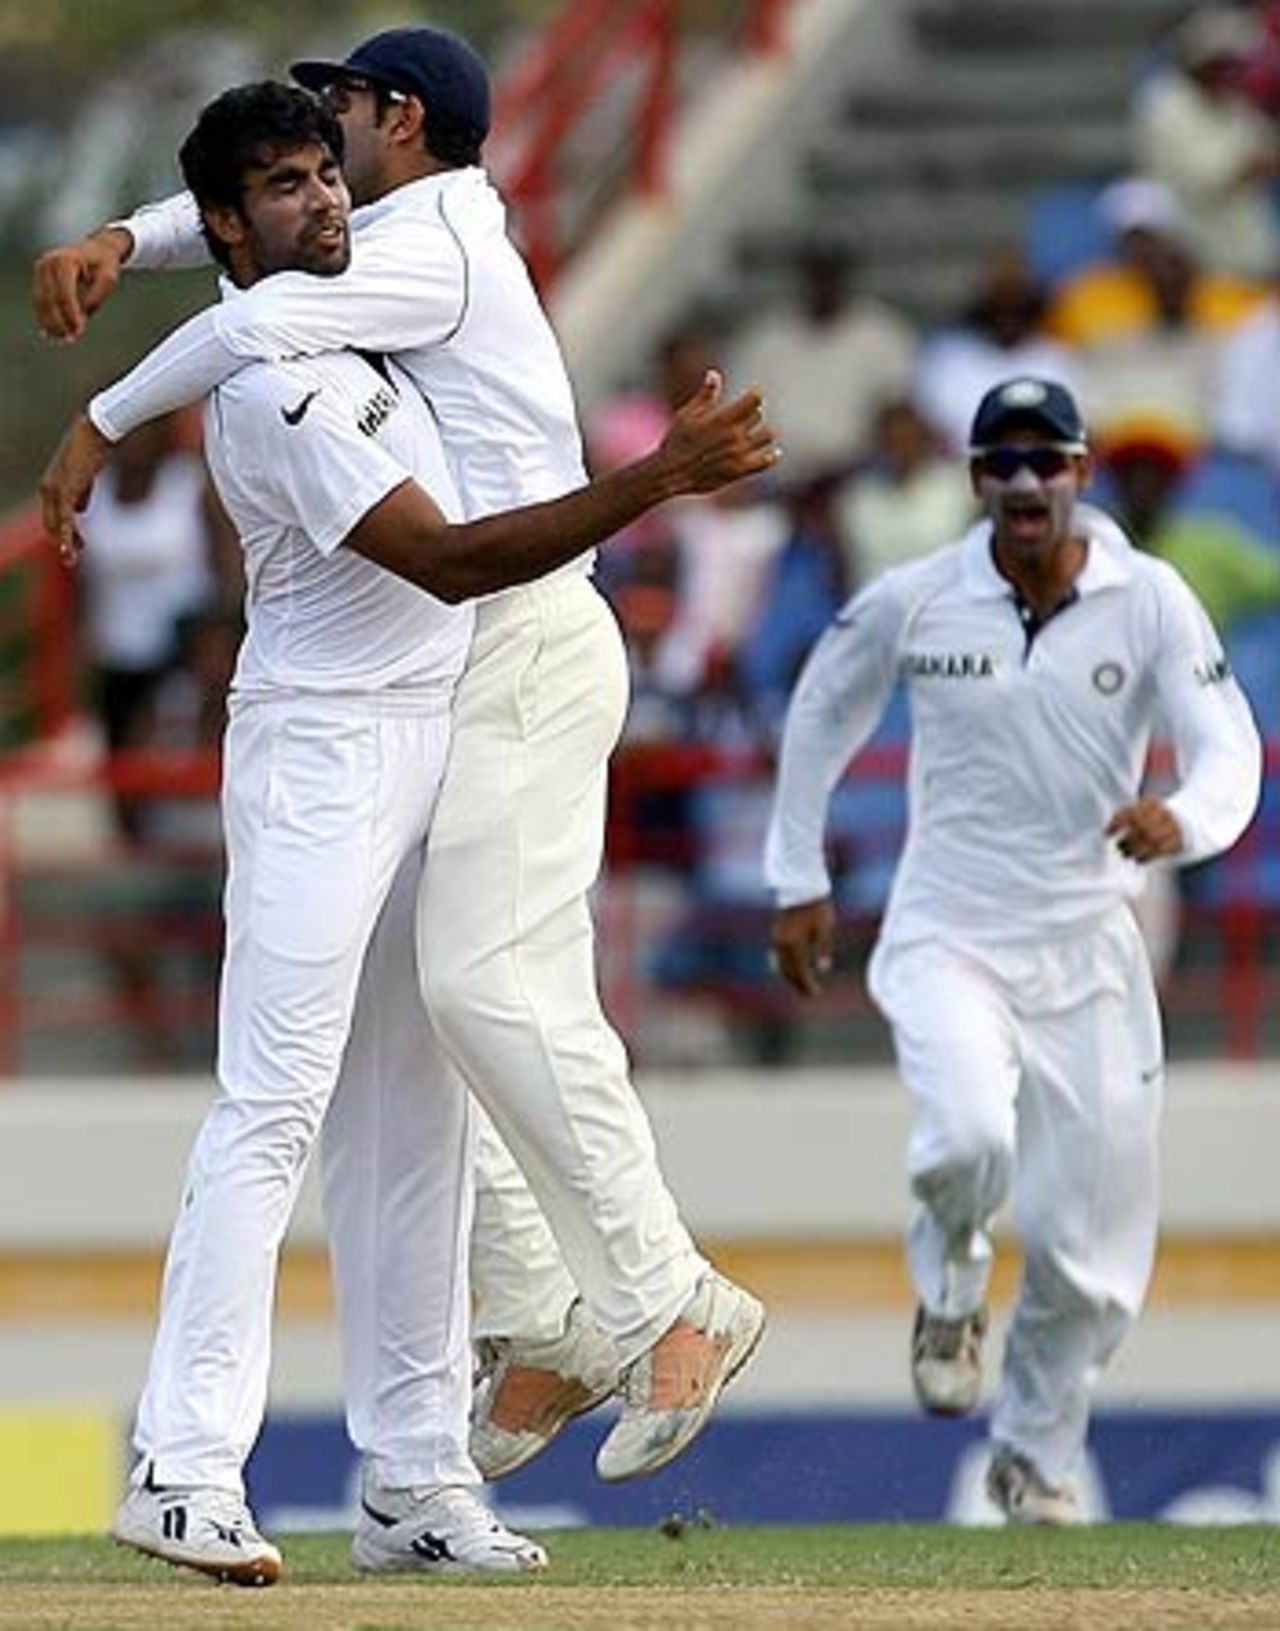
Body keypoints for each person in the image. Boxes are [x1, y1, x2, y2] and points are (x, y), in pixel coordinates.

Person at [45, 82, 775, 1586]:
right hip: (323, 751)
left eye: (332, 171)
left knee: (411, 1121)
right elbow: (443, 560)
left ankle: (416, 1479)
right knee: (274, 1105)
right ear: (237, 229)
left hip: (423, 733)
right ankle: (182, 1466)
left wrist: (132, 236)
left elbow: (238, 224)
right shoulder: (281, 380)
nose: (325, 200)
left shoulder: (356, 288)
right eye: (290, 190)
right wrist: (650, 480)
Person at [764, 377, 1261, 1523]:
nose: (1024, 482)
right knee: (967, 1134)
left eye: (1046, 460)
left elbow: (1224, 748)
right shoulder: (919, 596)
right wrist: (797, 874)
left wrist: (1178, 820)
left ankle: (1034, 1452)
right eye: (1000, 463)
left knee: (1089, 1252)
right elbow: (824, 704)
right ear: (975, 479)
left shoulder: (1149, 599)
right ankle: (946, 1291)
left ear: (1080, 473)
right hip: (947, 930)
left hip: (1089, 942)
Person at [1131, 4, 1280, 281]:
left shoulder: (1234, 104)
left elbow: (1268, 147)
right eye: (1223, 63)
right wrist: (1257, 163)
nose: (1232, 71)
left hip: (1251, 254)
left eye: (1236, 63)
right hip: (1199, 259)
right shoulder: (1165, 106)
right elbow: (1211, 176)